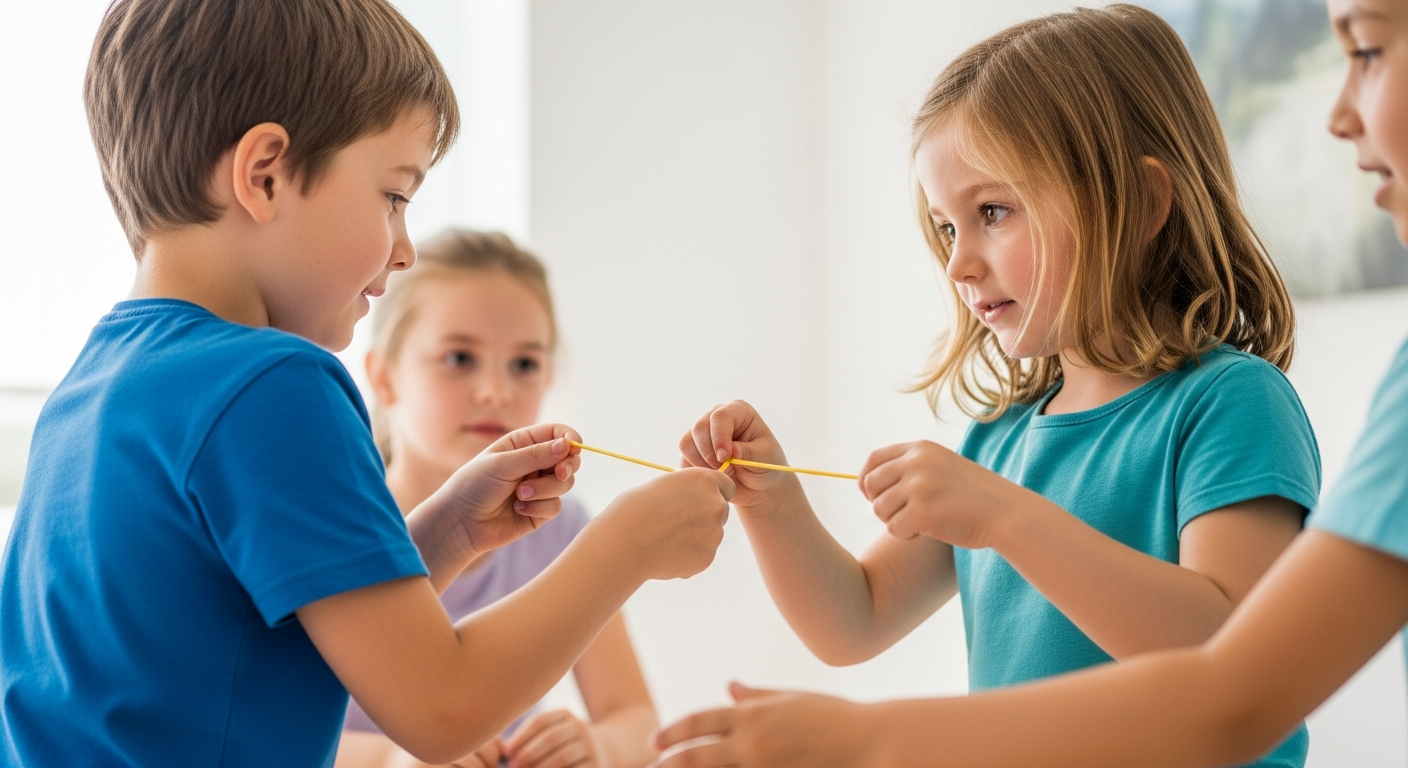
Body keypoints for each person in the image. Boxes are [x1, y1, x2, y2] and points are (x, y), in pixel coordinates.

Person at [0, 2, 733, 767]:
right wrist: (629, 544)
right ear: (265, 173)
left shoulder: (96, 386)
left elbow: (272, 627)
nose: (405, 248)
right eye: (394, 196)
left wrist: (449, 532)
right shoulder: (273, 386)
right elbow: (442, 708)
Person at [663, 4, 1321, 766]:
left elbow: (1237, 657)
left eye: (992, 212)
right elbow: (854, 619)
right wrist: (775, 503)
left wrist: (1006, 517)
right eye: (947, 227)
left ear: (1142, 203)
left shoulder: (1231, 403)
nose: (958, 263)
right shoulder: (1000, 438)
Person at [336, 229, 658, 768]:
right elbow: (255, 737)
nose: (497, 392)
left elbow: (636, 719)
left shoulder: (560, 529)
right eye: (459, 358)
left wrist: (598, 747)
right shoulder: (335, 528)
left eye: (525, 365)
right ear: (384, 377)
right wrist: (392, 760)